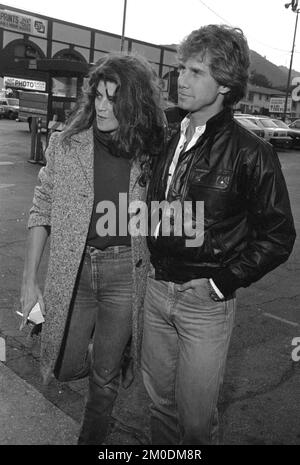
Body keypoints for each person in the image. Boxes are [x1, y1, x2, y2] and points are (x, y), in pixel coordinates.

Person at [142, 25, 296, 445]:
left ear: (225, 84)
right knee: (158, 407)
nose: (181, 79)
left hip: (203, 303)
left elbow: (279, 236)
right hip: (156, 290)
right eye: (180, 69)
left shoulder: (252, 152)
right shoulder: (168, 135)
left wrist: (220, 282)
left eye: (195, 72)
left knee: (194, 424)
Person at [20, 52, 165, 445]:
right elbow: (42, 206)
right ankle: (107, 353)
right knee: (63, 366)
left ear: (133, 102)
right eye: (98, 95)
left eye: (112, 98)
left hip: (124, 273)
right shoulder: (67, 145)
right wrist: (30, 280)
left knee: (103, 381)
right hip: (77, 270)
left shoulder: (152, 151)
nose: (102, 105)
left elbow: (174, 215)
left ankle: (93, 436)